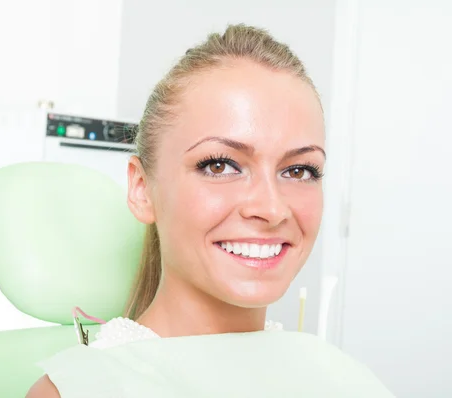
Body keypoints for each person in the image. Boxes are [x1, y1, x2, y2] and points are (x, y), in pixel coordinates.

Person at [27, 23, 326, 397]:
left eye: (299, 170)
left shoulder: (330, 377)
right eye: (219, 165)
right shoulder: (78, 391)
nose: (271, 207)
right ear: (142, 190)